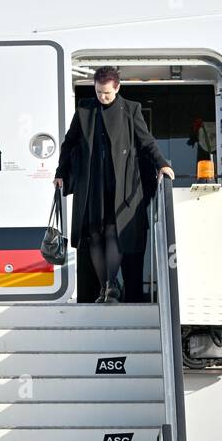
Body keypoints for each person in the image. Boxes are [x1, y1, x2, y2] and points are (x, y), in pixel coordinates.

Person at [54, 64, 174, 303]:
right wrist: (60, 173)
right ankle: (108, 285)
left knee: (114, 232)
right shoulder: (85, 110)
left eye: (107, 92)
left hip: (122, 183)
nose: (103, 96)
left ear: (117, 88)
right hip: (92, 184)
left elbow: (145, 141)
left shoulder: (131, 109)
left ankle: (110, 287)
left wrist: (161, 163)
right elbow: (69, 144)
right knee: (95, 234)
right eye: (99, 92)